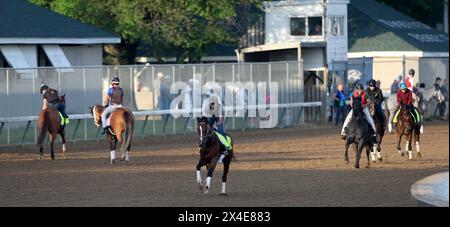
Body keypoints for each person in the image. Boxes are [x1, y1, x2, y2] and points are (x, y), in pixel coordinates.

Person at [202, 94, 230, 163]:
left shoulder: (221, 108)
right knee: (204, 132)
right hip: (210, 118)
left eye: (216, 103)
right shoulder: (207, 107)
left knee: (220, 132)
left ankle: (225, 148)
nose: (214, 104)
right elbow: (206, 119)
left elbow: (220, 120)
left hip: (218, 119)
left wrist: (217, 125)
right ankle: (202, 146)